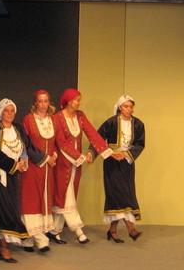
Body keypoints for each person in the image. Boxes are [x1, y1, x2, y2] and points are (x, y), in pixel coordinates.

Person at [0, 98, 47, 262]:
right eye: (6, 110)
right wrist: (13, 164)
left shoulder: (18, 129)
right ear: (1, 112)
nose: (10, 114)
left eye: (12, 111)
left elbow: (27, 146)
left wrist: (34, 159)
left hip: (13, 177)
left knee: (10, 208)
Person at [51, 88, 112, 244]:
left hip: (75, 165)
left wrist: (103, 152)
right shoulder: (57, 118)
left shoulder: (80, 116)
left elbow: (92, 134)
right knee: (66, 195)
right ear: (69, 101)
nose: (80, 103)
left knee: (65, 197)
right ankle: (78, 230)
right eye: (77, 100)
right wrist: (80, 157)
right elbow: (61, 142)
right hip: (62, 163)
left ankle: (54, 230)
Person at [91, 95, 144, 243]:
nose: (129, 109)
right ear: (120, 107)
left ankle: (112, 230)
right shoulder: (111, 123)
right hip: (112, 163)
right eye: (126, 106)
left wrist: (126, 154)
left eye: (131, 106)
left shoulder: (138, 124)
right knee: (117, 194)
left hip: (127, 162)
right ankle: (130, 229)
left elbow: (140, 144)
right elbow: (97, 139)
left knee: (125, 193)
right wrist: (108, 153)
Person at [21, 90, 58, 252]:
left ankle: (30, 239)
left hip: (48, 169)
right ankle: (37, 239)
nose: (43, 104)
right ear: (35, 103)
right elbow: (25, 143)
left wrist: (54, 155)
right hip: (33, 166)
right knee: (31, 202)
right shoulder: (28, 120)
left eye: (46, 101)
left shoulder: (53, 120)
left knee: (43, 201)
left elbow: (56, 142)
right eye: (40, 101)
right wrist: (44, 158)